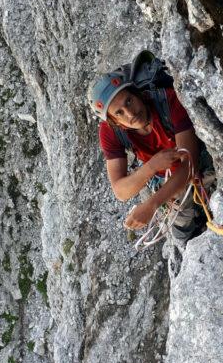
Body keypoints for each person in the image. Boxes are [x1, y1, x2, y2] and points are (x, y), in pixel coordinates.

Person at [88, 54, 209, 245]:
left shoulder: (168, 101)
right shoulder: (110, 132)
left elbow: (190, 166)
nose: (131, 113)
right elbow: (120, 191)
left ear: (137, 94)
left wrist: (152, 204)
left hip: (199, 165)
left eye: (129, 101)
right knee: (181, 237)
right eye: (119, 113)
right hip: (165, 178)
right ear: (114, 122)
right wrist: (151, 167)